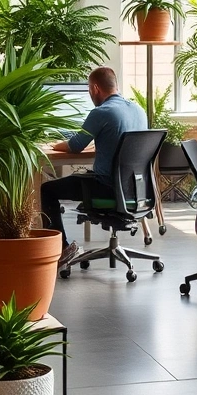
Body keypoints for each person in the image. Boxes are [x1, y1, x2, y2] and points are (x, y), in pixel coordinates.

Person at [43, 67, 147, 268]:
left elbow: (74, 146)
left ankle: (62, 249)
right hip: (136, 189)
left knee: (47, 190)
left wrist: (53, 144)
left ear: (95, 88)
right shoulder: (138, 110)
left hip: (106, 187)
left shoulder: (101, 112)